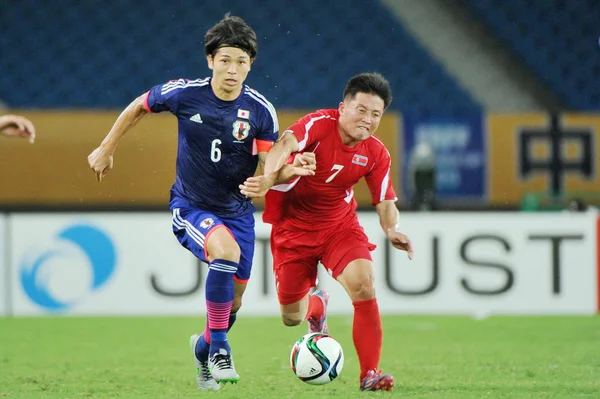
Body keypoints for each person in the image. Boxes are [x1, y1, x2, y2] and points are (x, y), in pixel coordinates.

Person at [87, 14, 315, 390]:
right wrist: (107, 147)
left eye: (241, 62)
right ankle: (221, 350)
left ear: (250, 65)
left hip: (238, 213)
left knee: (233, 303)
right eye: (225, 60)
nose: (232, 69)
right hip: (191, 206)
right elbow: (140, 105)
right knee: (223, 254)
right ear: (210, 60)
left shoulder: (261, 111)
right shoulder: (185, 93)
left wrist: (287, 172)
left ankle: (204, 349)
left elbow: (267, 168)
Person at [240, 72, 413, 392]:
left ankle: (369, 374)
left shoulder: (376, 153)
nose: (368, 119)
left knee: (364, 284)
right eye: (361, 110)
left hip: (338, 227)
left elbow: (386, 199)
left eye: (376, 114)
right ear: (342, 107)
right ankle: (316, 308)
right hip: (292, 231)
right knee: (291, 317)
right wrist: (269, 176)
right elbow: (285, 144)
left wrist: (392, 230)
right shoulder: (319, 124)